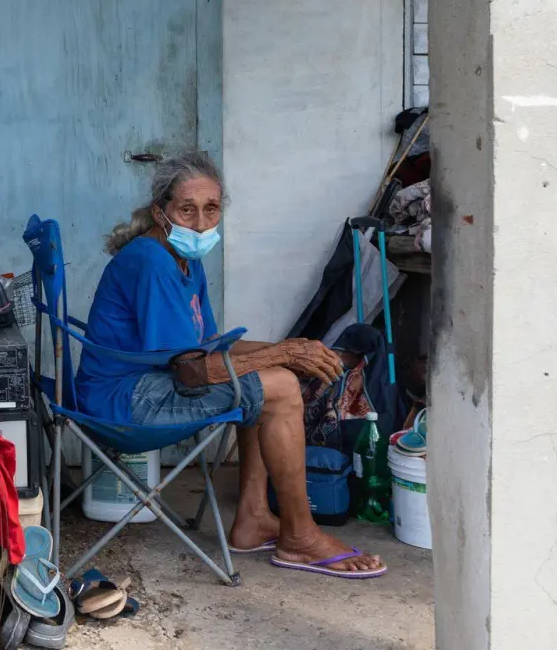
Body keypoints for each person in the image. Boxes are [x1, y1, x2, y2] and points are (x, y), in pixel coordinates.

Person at [75, 150, 387, 579]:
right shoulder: (151, 262)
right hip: (124, 404)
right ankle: (300, 536)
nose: (201, 223)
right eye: (187, 210)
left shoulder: (184, 258)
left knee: (273, 374)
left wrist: (296, 348)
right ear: (160, 212)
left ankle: (254, 517)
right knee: (277, 384)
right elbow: (191, 370)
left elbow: (205, 345)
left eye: (211, 209)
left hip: (143, 385)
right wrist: (280, 357)